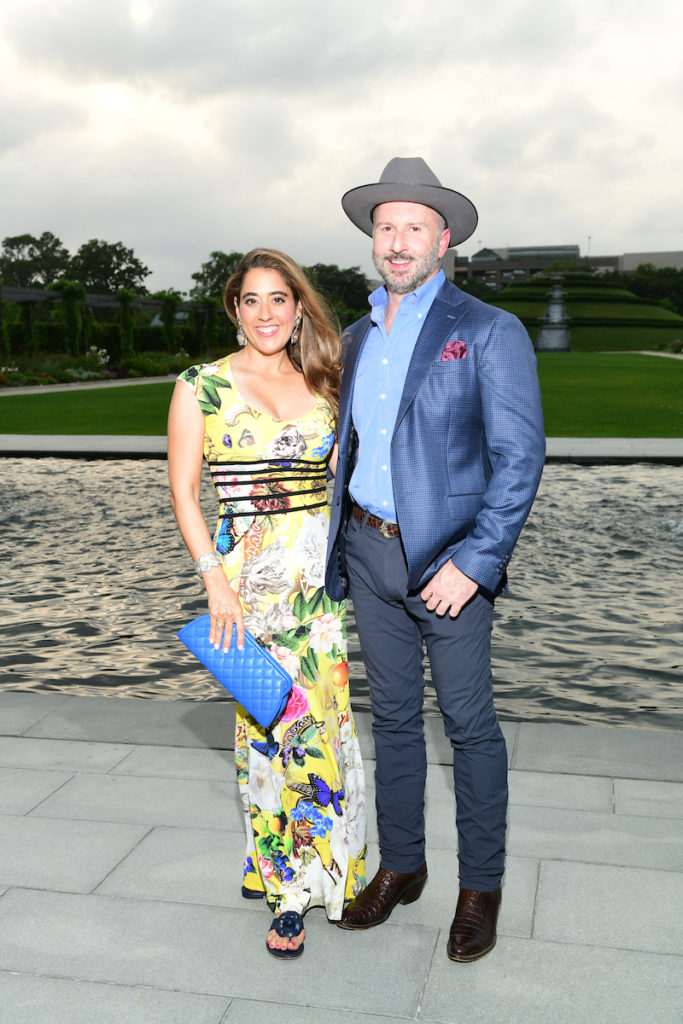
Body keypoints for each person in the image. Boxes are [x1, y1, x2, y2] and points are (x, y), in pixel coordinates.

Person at [325, 158, 545, 962]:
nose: (397, 240)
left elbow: (519, 458)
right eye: (385, 226)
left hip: (450, 567)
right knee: (389, 721)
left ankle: (479, 887)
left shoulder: (486, 329)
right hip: (366, 553)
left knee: (469, 728)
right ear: (372, 238)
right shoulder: (352, 339)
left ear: (442, 240)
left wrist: (475, 562)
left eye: (413, 227)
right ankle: (402, 866)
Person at [168, 248, 366, 960]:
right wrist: (213, 582)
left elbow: (346, 480)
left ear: (298, 306)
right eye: (250, 300)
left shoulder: (325, 380)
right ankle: (285, 888)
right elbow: (184, 493)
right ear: (234, 309)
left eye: (278, 298)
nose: (265, 313)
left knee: (320, 727)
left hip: (315, 587)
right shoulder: (202, 386)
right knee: (269, 730)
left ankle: (327, 869)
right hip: (243, 588)